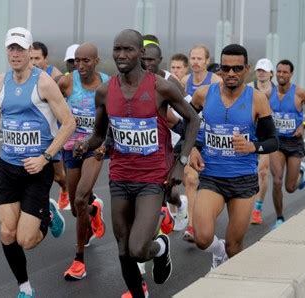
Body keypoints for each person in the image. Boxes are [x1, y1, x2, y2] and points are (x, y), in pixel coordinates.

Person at [75, 29, 200, 298]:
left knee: (138, 248)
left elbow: (194, 120)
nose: (121, 55)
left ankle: (161, 249)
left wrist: (181, 162)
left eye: (128, 49)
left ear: (141, 53)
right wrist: (86, 144)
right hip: (120, 176)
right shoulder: (105, 91)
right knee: (122, 250)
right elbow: (99, 134)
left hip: (152, 179)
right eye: (117, 49)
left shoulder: (161, 87)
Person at [0, 27, 75, 298]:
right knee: (7, 233)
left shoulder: (44, 83)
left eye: (20, 49)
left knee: (27, 240)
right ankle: (25, 288)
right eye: (11, 48)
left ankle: (47, 214)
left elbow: (69, 123)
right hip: (7, 167)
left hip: (37, 168)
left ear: (29, 52)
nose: (15, 53)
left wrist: (45, 157)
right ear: (7, 51)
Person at [190, 44, 279, 270]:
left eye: (237, 68)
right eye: (225, 68)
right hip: (212, 177)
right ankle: (217, 253)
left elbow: (272, 141)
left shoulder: (257, 99)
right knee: (201, 238)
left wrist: (252, 146)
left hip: (243, 180)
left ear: (246, 69)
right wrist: (191, 148)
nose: (231, 73)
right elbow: (187, 123)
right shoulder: (204, 94)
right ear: (219, 69)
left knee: (234, 246)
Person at [56, 43, 109, 281]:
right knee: (80, 209)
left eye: (86, 61)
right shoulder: (67, 82)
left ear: (96, 61)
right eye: (77, 61)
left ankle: (78, 260)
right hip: (71, 148)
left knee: (78, 198)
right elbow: (50, 106)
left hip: (94, 148)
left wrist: (105, 144)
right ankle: (92, 211)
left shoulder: (107, 85)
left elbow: (116, 117)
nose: (80, 66)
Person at [141, 43, 189, 233]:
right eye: (143, 59)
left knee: (163, 186)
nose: (146, 63)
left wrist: (176, 122)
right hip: (147, 140)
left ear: (159, 60)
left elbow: (191, 110)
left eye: (150, 60)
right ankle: (175, 205)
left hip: (172, 139)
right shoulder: (137, 78)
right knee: (158, 187)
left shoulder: (171, 81)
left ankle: (158, 231)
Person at [268, 59, 305, 229]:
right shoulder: (270, 93)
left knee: (290, 188)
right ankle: (280, 218)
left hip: (295, 143)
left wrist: (303, 125)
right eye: (279, 71)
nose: (281, 75)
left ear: (291, 74)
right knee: (276, 181)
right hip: (277, 142)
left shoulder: (299, 92)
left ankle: (301, 173)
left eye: (285, 72)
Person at [180, 45, 222, 243]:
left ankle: (206, 216)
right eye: (192, 58)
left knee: (211, 183)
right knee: (190, 179)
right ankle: (191, 225)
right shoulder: (184, 81)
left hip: (213, 140)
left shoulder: (216, 81)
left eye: (199, 58)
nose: (195, 62)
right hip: (193, 138)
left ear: (207, 61)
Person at [30, 41, 69, 209]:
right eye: (30, 58)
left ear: (45, 59)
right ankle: (41, 207)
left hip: (53, 132)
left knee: (58, 176)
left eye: (37, 58)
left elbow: (67, 104)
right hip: (32, 133)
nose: (33, 62)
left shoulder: (55, 76)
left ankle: (65, 189)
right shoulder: (25, 74)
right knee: (31, 173)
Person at [248, 58, 275, 225]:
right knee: (248, 171)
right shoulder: (249, 88)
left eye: (264, 71)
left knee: (263, 171)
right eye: (259, 70)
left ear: (271, 73)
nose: (261, 73)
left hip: (266, 134)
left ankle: (257, 209)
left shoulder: (277, 91)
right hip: (250, 132)